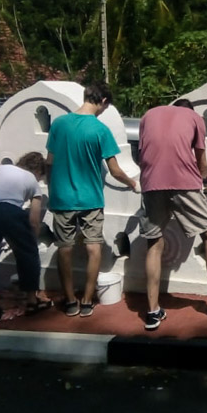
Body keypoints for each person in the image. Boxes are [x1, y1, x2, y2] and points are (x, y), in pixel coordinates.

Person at [137, 99, 207, 330]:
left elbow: (143, 154)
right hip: (183, 183)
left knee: (154, 243)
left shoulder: (148, 115)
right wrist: (204, 178)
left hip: (151, 183)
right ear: (189, 110)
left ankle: (152, 312)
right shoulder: (194, 118)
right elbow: (201, 161)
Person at [46, 82, 138, 318]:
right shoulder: (100, 130)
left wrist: (52, 186)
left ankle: (69, 301)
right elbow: (115, 170)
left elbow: (50, 162)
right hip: (91, 198)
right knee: (93, 247)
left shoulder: (58, 124)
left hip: (62, 197)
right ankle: (87, 300)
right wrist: (133, 183)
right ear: (104, 101)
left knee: (64, 249)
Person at [0, 152, 53, 321]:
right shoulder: (32, 180)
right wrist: (32, 238)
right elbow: (34, 219)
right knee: (28, 254)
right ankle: (31, 301)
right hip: (9, 211)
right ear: (39, 171)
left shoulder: (1, 169)